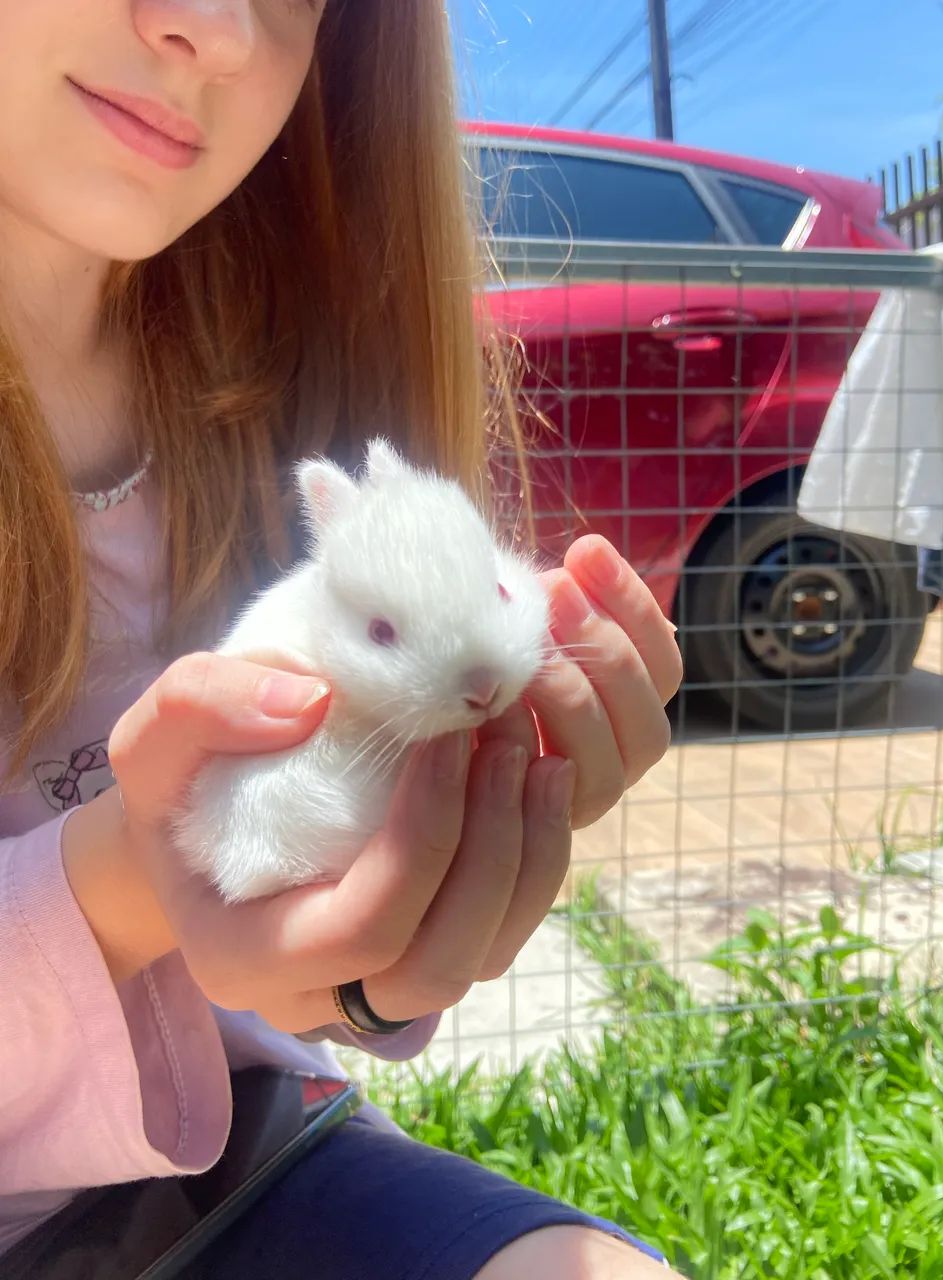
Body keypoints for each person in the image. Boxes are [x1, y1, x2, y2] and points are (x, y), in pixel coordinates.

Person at [0, 3, 684, 1277]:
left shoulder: (271, 380)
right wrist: (126, 881)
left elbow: (297, 1002)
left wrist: (376, 959)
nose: (217, 27)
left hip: (220, 1172)